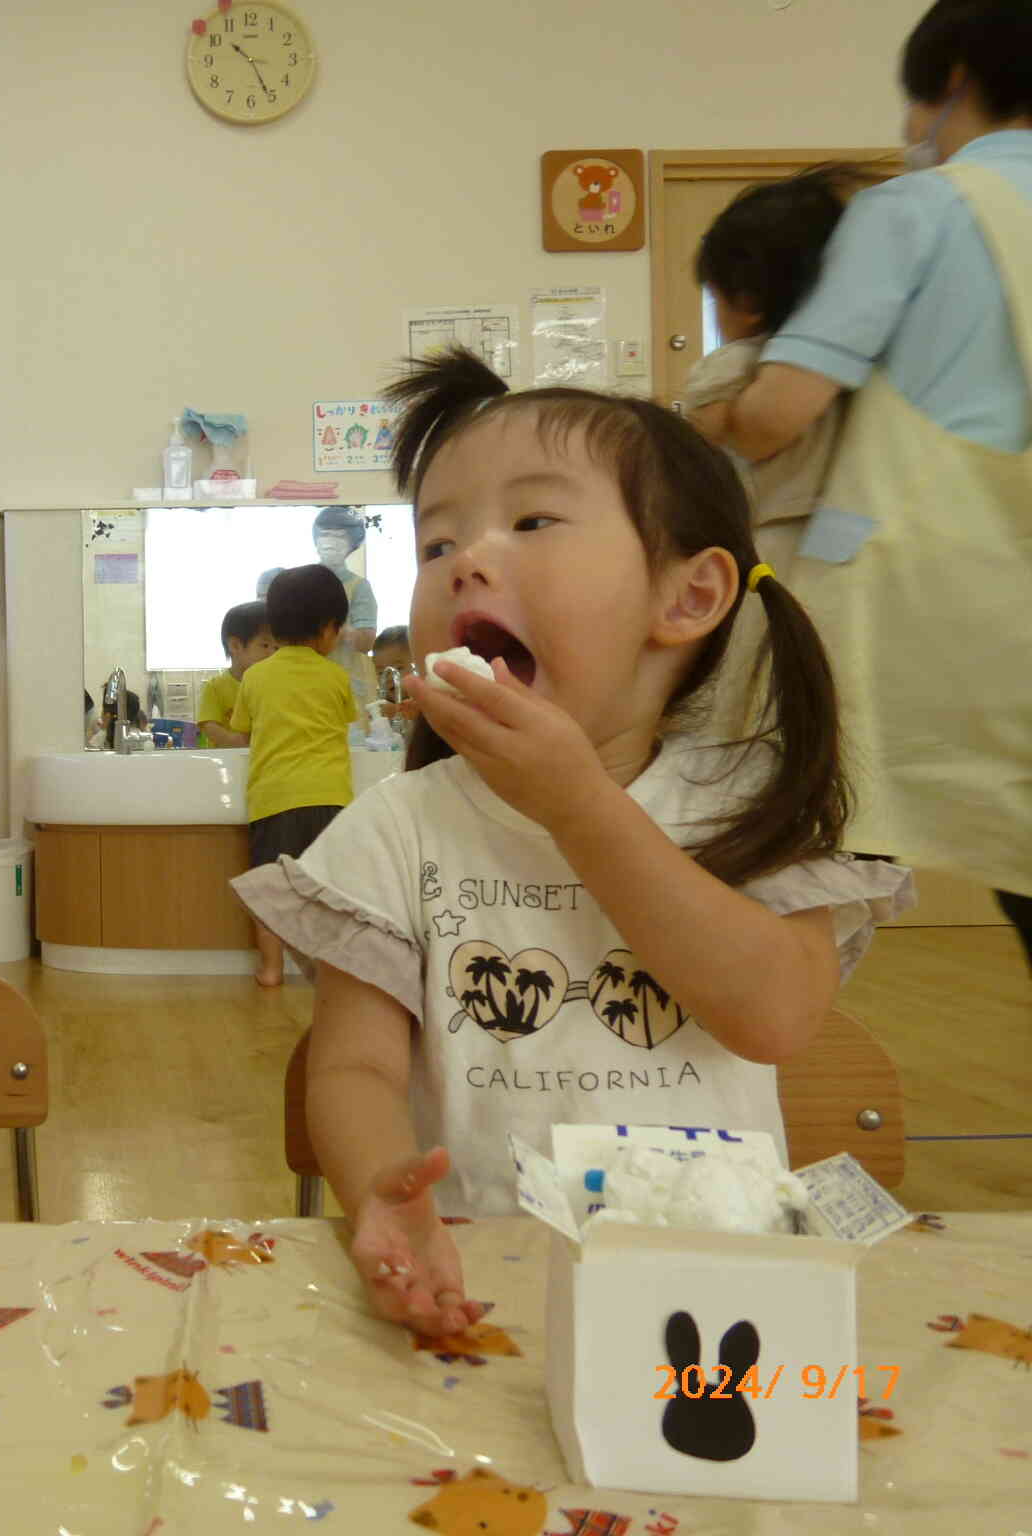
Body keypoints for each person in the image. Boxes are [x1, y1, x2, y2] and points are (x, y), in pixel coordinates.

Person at [234, 350, 911, 1340]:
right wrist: (380, 1185)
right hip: (484, 1279)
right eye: (433, 544)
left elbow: (770, 1015)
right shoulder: (395, 827)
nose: (464, 560)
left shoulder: (745, 806)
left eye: (531, 521)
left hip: (710, 1290)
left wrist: (576, 804)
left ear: (682, 600)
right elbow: (352, 1067)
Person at [720, 0, 1032, 958]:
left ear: (951, 83)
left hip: (930, 597)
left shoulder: (919, 211)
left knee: (800, 827)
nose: (908, 135)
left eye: (912, 104)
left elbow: (779, 412)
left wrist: (703, 418)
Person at [686, 164, 871, 738]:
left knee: (758, 687)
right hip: (857, 544)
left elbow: (702, 428)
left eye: (715, 298)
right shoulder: (855, 361)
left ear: (746, 299)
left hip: (773, 548)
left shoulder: (744, 363)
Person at [230, 566, 356, 988]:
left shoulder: (255, 677)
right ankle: (327, 969)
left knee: (272, 891)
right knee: (326, 893)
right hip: (330, 799)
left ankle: (270, 970)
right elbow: (346, 723)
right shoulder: (337, 676)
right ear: (326, 630)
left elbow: (245, 731)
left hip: (275, 799)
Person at [311, 506, 381, 712]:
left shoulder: (359, 587)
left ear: (352, 543)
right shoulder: (303, 583)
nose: (331, 541)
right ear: (316, 539)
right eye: (326, 534)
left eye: (340, 536)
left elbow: (366, 642)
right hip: (308, 679)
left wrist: (334, 629)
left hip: (348, 679)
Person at [197, 601, 276, 748]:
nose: (272, 653)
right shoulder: (215, 687)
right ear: (235, 645)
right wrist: (236, 742)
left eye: (276, 647)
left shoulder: (275, 684)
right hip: (227, 761)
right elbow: (209, 725)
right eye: (265, 645)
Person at [370, 625, 417, 725]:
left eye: (399, 668)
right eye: (381, 672)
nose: (389, 677)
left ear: (415, 665)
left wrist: (396, 712)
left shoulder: (421, 698)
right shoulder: (380, 701)